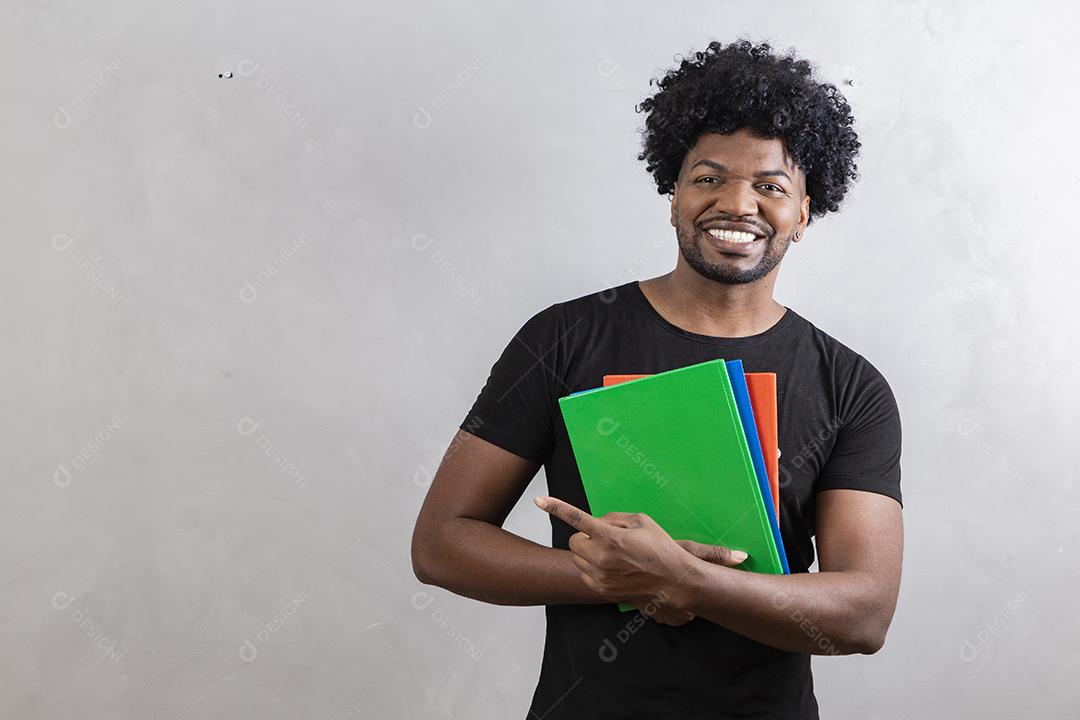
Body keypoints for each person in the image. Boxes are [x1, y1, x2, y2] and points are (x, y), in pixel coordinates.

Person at [411, 37, 903, 719]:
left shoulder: (849, 385)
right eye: (707, 178)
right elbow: (442, 544)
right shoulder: (563, 337)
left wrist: (691, 583)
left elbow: (864, 612)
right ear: (671, 196)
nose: (737, 203)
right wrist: (614, 575)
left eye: (770, 185)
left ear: (805, 212)